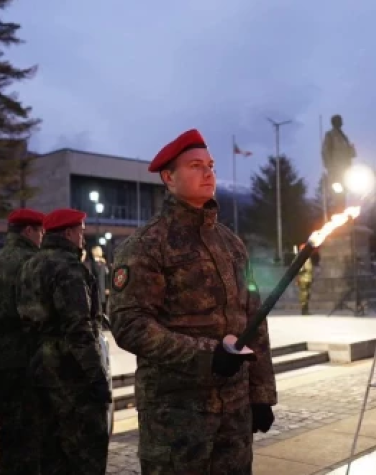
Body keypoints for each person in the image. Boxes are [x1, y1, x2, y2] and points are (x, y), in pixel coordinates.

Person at [109, 128, 277, 474]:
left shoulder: (231, 244)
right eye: (196, 165)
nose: (209, 172)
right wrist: (206, 355)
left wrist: (261, 394)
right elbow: (130, 324)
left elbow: (254, 320)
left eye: (211, 164)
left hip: (233, 409)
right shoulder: (147, 245)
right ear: (169, 177)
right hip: (177, 414)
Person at [17, 208, 110, 475]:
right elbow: (78, 329)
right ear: (69, 233)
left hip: (39, 366)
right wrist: (96, 377)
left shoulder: (31, 264)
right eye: (81, 231)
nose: (83, 237)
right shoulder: (68, 268)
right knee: (86, 451)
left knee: (49, 451)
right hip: (70, 371)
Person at [0, 208, 45, 475]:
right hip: (25, 354)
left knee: (7, 427)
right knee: (30, 429)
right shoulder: (33, 262)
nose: (41, 237)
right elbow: (38, 312)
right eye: (39, 231)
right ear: (28, 231)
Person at [297, 243, 313, 315]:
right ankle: (304, 310)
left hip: (308, 278)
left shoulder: (307, 257)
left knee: (307, 294)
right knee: (303, 294)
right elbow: (299, 269)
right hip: (303, 279)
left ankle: (306, 309)